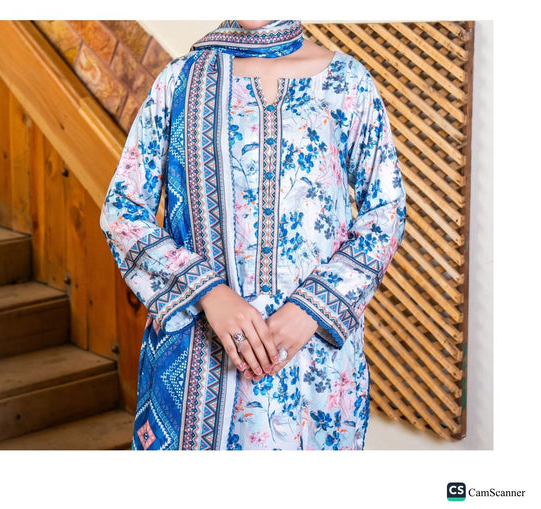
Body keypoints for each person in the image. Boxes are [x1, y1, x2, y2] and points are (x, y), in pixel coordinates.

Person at [99, 20, 406, 450]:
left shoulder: (347, 82)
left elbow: (386, 211)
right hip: (203, 355)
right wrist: (208, 293)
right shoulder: (180, 82)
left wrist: (312, 310)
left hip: (314, 364)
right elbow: (123, 210)